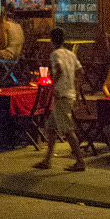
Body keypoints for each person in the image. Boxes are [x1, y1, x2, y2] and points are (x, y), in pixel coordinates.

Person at [33, 28, 87, 172]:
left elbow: (59, 69)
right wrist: (75, 87)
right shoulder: (70, 54)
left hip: (61, 96)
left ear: (52, 40)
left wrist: (52, 86)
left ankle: (80, 161)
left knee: (67, 130)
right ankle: (47, 160)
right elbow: (81, 72)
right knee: (51, 127)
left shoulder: (55, 54)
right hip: (69, 94)